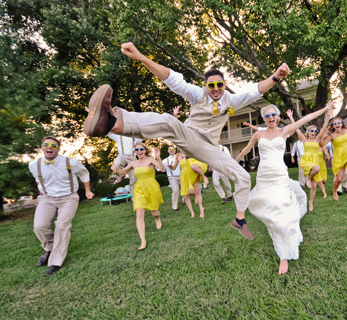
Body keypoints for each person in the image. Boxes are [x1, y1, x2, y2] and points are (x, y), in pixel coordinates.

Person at [83, 41, 291, 240]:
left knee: (243, 176)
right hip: (189, 136)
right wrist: (140, 57)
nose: (216, 88)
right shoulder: (196, 94)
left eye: (220, 84)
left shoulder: (231, 99)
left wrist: (275, 76)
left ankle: (240, 218)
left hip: (209, 147)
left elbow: (255, 91)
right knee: (168, 121)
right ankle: (112, 123)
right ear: (205, 86)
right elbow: (171, 79)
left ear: (225, 85)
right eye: (212, 85)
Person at [236, 101, 334, 274]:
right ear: (264, 119)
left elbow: (306, 118)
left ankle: (283, 255)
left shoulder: (284, 131)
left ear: (278, 116)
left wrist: (325, 109)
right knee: (267, 208)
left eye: (273, 115)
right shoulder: (259, 135)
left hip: (280, 175)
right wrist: (233, 163)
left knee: (281, 211)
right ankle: (274, 228)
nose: (271, 118)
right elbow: (245, 149)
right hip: (264, 176)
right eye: (267, 116)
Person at [28, 136, 94, 276]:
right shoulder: (34, 165)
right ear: (42, 148)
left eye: (53, 145)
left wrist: (88, 190)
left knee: (62, 225)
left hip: (68, 197)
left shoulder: (70, 162)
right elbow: (39, 180)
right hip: (47, 198)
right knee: (39, 226)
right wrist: (40, 196)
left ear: (58, 149)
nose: (49, 147)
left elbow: (84, 173)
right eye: (46, 144)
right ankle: (50, 248)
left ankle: (56, 262)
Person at [112, 143, 165, 249]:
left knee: (154, 212)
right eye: (137, 149)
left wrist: (158, 157)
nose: (139, 151)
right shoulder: (134, 163)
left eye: (141, 149)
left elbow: (163, 170)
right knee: (139, 214)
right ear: (135, 151)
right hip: (139, 189)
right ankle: (143, 241)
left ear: (145, 150)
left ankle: (157, 218)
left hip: (151, 187)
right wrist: (116, 169)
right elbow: (123, 171)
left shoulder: (151, 160)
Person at [286, 111, 328, 212]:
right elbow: (296, 128)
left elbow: (323, 128)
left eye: (315, 131)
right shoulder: (304, 139)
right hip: (306, 160)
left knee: (313, 187)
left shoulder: (317, 140)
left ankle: (310, 203)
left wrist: (328, 116)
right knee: (316, 169)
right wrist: (291, 118)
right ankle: (308, 178)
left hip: (315, 160)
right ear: (308, 132)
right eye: (311, 131)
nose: (314, 133)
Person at [321, 100, 347, 201]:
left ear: (341, 124)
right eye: (334, 124)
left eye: (338, 123)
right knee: (339, 179)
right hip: (339, 156)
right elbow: (321, 144)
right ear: (333, 126)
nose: (337, 124)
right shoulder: (332, 135)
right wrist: (325, 135)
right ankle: (335, 191)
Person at [173, 152, 207, 219]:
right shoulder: (178, 156)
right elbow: (174, 167)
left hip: (192, 173)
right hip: (184, 176)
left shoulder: (189, 152)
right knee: (186, 196)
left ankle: (201, 209)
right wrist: (171, 167)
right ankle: (192, 213)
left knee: (197, 191)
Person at [162, 145, 181, 211]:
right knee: (175, 190)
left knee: (185, 189)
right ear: (168, 151)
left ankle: (185, 200)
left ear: (175, 150)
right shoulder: (165, 160)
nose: (171, 150)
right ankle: (175, 207)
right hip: (172, 177)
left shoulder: (179, 157)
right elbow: (160, 168)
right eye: (170, 149)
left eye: (173, 149)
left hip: (182, 176)